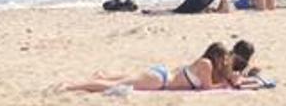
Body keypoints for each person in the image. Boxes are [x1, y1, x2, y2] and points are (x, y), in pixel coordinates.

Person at [61, 42, 233, 92]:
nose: (224, 62)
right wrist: (224, 85)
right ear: (217, 56)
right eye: (224, 58)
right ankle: (72, 86)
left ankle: (101, 76)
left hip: (161, 75)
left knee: (123, 79)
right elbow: (206, 87)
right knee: (118, 85)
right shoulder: (206, 64)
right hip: (160, 80)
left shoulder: (204, 62)